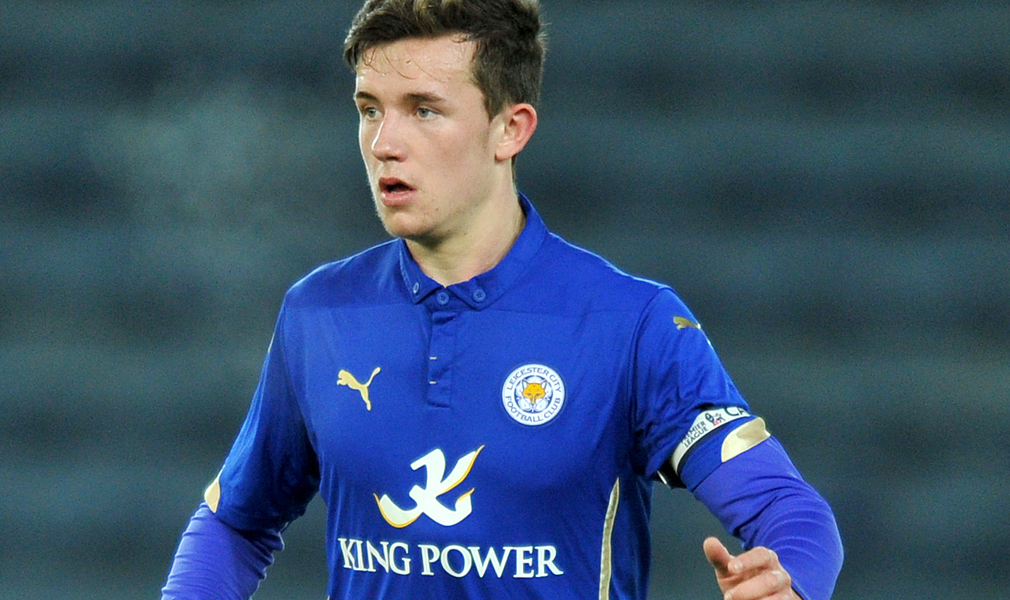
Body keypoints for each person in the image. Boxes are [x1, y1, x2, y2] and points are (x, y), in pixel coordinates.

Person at [161, 1, 844, 599]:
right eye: (370, 110)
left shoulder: (630, 324)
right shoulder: (320, 313)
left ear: (510, 129)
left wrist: (789, 580)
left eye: (424, 110)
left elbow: (790, 512)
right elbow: (235, 522)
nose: (385, 143)